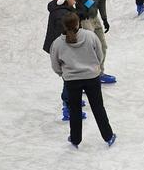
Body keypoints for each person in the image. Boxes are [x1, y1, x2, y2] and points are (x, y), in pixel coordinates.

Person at [50, 13, 116, 148]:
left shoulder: (57, 43)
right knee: (98, 107)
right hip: (92, 78)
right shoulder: (90, 36)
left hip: (71, 81)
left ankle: (75, 139)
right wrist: (95, 68)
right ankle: (108, 136)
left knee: (75, 110)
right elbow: (100, 54)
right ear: (78, 23)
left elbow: (55, 65)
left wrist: (64, 74)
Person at [44, 0, 84, 121]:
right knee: (69, 78)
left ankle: (72, 101)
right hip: (62, 51)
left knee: (71, 77)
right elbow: (63, 38)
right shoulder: (61, 15)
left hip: (63, 49)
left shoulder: (65, 9)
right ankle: (68, 107)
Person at [74, 0, 116, 84]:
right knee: (89, 49)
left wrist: (104, 18)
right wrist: (78, 12)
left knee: (102, 46)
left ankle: (99, 73)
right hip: (85, 19)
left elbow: (101, 0)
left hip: (95, 17)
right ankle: (88, 77)